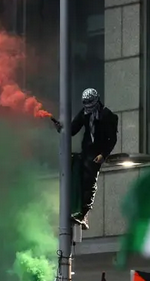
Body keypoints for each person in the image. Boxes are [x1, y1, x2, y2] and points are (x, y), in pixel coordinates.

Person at [53, 88, 119, 230]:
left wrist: (103, 155)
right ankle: (76, 209)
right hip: (86, 151)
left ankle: (83, 214)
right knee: (77, 176)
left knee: (89, 183)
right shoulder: (84, 113)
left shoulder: (108, 116)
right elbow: (73, 129)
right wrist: (61, 128)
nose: (87, 108)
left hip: (96, 153)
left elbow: (112, 139)